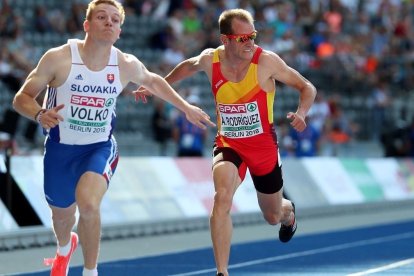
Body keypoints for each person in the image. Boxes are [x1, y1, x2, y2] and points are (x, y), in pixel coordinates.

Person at [12, 1, 215, 275]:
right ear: (87, 25)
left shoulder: (123, 63)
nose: (109, 22)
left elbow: (153, 81)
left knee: (88, 202)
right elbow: (21, 98)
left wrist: (186, 108)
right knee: (62, 217)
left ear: (119, 31)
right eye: (101, 17)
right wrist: (39, 114)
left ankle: (90, 270)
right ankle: (64, 248)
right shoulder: (58, 58)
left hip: (99, 146)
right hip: (60, 149)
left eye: (115, 20)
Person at [138, 8, 317, 276]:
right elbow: (187, 67)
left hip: (263, 148)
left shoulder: (266, 62)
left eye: (253, 36)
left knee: (271, 216)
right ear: (226, 39)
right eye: (243, 38)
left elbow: (307, 87)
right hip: (229, 143)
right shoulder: (211, 60)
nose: (250, 43)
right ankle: (222, 272)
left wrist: (302, 112)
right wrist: (157, 85)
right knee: (221, 198)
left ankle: (287, 211)